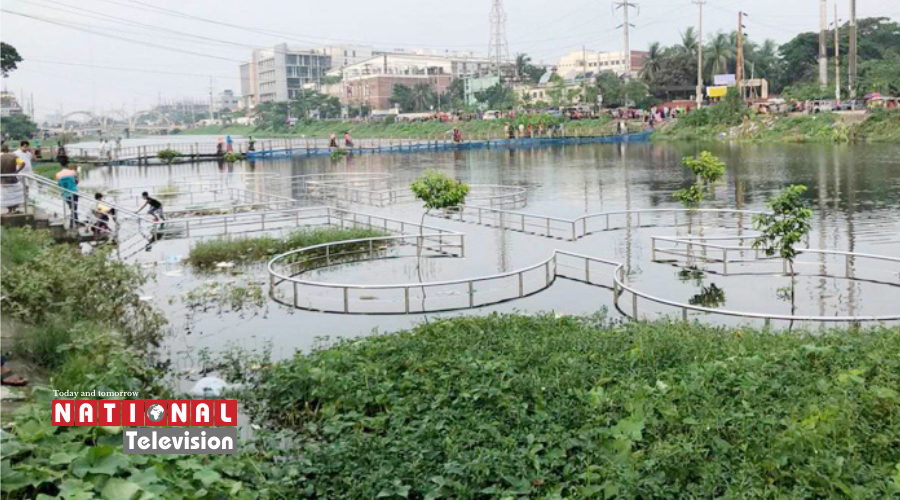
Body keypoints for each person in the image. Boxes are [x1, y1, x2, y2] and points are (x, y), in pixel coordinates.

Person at [1, 146, 26, 214]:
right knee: (15, 194)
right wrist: (17, 171)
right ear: (8, 150)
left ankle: (9, 210)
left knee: (6, 195)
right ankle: (14, 209)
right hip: (12, 178)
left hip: (2, 179)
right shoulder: (13, 156)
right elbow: (23, 164)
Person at [54, 157, 79, 226]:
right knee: (74, 207)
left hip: (66, 194)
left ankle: (75, 221)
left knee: (72, 207)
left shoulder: (57, 175)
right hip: (74, 192)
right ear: (67, 164)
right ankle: (72, 222)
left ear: (61, 165)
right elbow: (77, 182)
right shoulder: (73, 172)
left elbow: (59, 185)